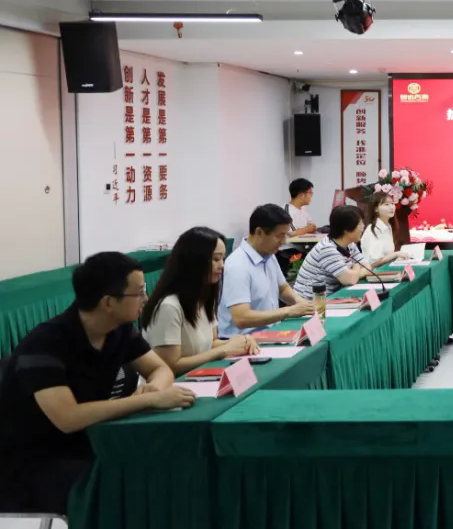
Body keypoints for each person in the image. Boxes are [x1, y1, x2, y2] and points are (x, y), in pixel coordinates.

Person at [0, 253, 195, 515]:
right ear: (108, 302)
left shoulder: (119, 330)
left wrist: (155, 388)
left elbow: (160, 368)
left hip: (90, 443)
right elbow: (67, 418)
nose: (146, 298)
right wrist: (146, 400)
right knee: (131, 486)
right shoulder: (44, 344)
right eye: (139, 293)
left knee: (161, 466)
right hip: (36, 464)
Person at [142, 227, 259, 375]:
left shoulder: (203, 298)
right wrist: (223, 350)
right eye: (216, 259)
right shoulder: (168, 307)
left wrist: (241, 342)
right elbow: (170, 365)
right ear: (194, 262)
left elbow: (211, 343)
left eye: (223, 259)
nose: (222, 266)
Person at [218, 204, 314, 337]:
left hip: (269, 332)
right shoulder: (237, 265)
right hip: (242, 340)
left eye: (285, 235)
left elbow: (282, 288)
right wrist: (289, 311)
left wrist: (303, 304)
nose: (283, 241)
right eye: (279, 236)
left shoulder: (269, 254)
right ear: (259, 232)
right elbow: (241, 318)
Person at [293, 206, 374, 299]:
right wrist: (356, 266)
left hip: (332, 297)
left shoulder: (349, 244)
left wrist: (353, 273)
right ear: (347, 230)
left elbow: (367, 267)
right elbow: (350, 280)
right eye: (360, 224)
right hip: (312, 302)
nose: (363, 227)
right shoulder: (327, 249)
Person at [360, 191, 411, 265]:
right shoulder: (374, 229)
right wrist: (395, 254)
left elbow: (387, 256)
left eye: (392, 203)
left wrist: (396, 257)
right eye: (386, 204)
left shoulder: (388, 226)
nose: (391, 207)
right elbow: (373, 263)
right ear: (376, 209)